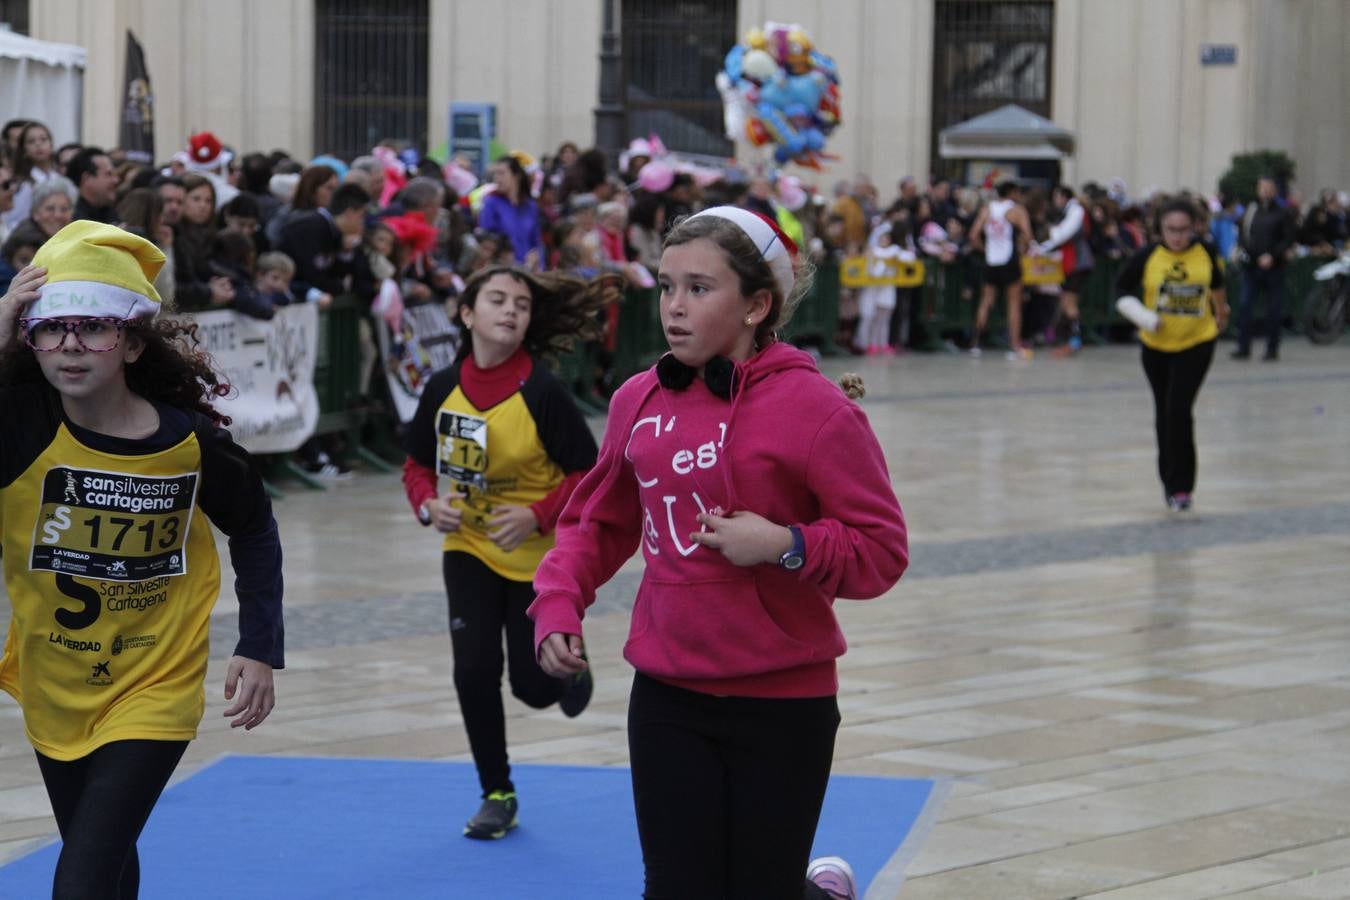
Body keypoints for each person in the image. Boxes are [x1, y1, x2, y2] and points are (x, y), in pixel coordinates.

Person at [530, 207, 908, 899]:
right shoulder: (636, 399)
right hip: (668, 694)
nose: (675, 307)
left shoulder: (817, 409)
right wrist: (558, 602)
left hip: (784, 701)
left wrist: (786, 545)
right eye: (667, 287)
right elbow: (596, 522)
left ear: (758, 304)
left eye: (699, 289)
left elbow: (881, 551)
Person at [0, 220, 283, 898]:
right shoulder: (16, 426)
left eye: (92, 327)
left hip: (155, 681)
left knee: (82, 877)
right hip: (56, 680)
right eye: (50, 329)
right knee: (104, 859)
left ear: (129, 341)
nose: (70, 346)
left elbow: (255, 526)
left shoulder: (189, 443)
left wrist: (259, 643)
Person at [400, 264, 608, 840]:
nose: (511, 310)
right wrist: (427, 505)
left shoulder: (543, 392)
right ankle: (497, 790)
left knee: (533, 688)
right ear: (467, 314)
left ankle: (569, 668)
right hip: (467, 545)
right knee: (473, 670)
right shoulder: (442, 388)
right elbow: (417, 462)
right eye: (497, 299)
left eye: (521, 303)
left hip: (540, 558)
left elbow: (589, 475)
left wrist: (539, 514)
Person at [1115, 198, 1228, 512]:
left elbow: (1217, 284)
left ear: (1194, 227)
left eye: (1183, 230)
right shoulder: (1147, 256)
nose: (1178, 236)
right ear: (1159, 229)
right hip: (1156, 347)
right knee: (1164, 413)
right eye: (1171, 230)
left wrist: (1222, 310)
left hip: (1197, 341)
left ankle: (1182, 488)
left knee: (1179, 409)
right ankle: (1168, 480)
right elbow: (1120, 289)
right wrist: (1142, 316)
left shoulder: (1205, 250)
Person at [969, 181, 1035, 359]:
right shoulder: (1017, 211)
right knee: (1013, 305)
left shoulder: (987, 209)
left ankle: (976, 343)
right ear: (1012, 192)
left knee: (986, 301)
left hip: (991, 260)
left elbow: (973, 235)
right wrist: (1023, 248)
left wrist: (986, 250)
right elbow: (1028, 236)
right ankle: (1014, 345)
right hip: (1009, 260)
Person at [1233, 176, 1296, 361]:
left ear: (1274, 190)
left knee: (1273, 309)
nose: (1265, 191)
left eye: (1269, 187)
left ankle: (1271, 349)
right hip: (1251, 267)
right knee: (1245, 306)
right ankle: (1243, 347)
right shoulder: (1251, 209)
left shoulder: (1283, 212)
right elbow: (1243, 233)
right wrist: (1244, 250)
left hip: (1274, 268)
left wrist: (1272, 255)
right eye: (1262, 187)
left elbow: (1288, 238)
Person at [1038, 184, 1094, 354]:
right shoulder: (1071, 211)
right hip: (1072, 263)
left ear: (1063, 197)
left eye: (1056, 197)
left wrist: (1043, 245)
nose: (1055, 201)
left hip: (1076, 263)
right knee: (1067, 302)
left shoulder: (1075, 210)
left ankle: (1074, 339)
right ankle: (1064, 336)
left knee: (1069, 302)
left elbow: (1061, 236)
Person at [478, 154, 544, 268]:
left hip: (528, 268)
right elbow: (486, 238)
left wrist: (539, 265)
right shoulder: (491, 203)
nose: (497, 179)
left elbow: (536, 242)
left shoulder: (530, 206)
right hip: (501, 267)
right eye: (495, 174)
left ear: (516, 176)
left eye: (502, 173)